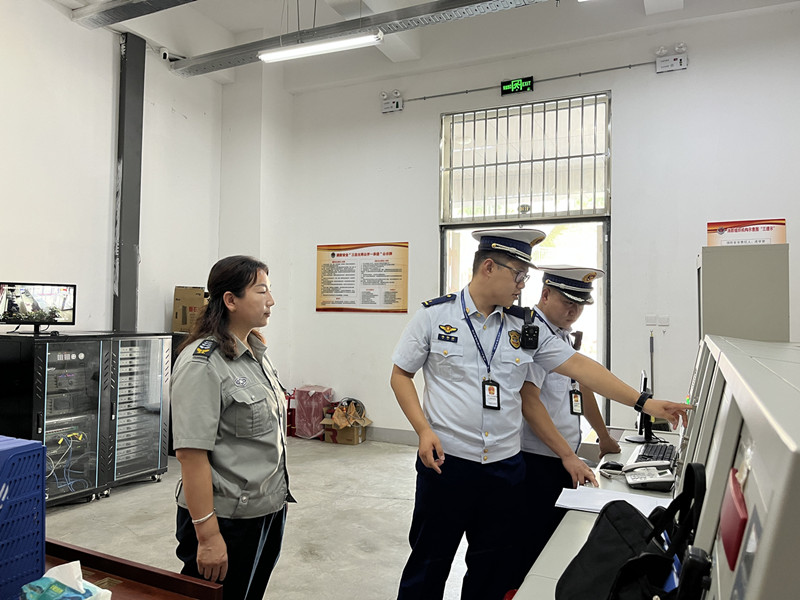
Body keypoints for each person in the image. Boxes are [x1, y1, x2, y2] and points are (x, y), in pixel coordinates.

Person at [390, 229, 692, 599]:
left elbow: (579, 366)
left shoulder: (525, 327)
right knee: (428, 564)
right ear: (489, 267)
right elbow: (400, 375)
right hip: (446, 465)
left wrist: (643, 402)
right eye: (518, 275)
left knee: (491, 569)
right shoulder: (434, 317)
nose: (522, 286)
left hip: (504, 470)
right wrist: (423, 430)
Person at [171, 255, 292, 600]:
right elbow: (191, 455)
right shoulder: (203, 363)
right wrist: (208, 536)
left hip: (265, 509)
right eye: (262, 291)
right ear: (230, 300)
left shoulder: (255, 353)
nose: (271, 301)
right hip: (226, 519)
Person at [517, 265, 621, 575]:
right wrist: (567, 456)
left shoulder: (561, 336)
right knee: (535, 546)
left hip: (561, 459)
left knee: (555, 540)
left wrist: (603, 436)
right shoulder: (533, 336)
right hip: (537, 460)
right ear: (545, 294)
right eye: (567, 302)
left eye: (580, 304)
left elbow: (583, 387)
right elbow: (529, 401)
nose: (574, 311)